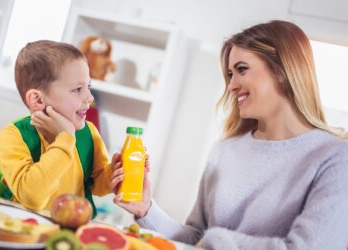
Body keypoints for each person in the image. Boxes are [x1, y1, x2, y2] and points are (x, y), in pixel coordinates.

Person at [111, 20, 348, 249]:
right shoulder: (224, 151)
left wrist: (218, 241)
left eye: (241, 70)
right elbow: (196, 238)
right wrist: (145, 208)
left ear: (282, 70)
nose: (231, 86)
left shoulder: (335, 158)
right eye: (230, 75)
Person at [0, 40, 117, 215]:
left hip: (66, 232)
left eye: (88, 86)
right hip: (20, 230)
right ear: (37, 100)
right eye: (77, 89)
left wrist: (114, 174)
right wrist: (65, 139)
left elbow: (95, 183)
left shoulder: (89, 133)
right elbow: (32, 196)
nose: (89, 97)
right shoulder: (13, 136)